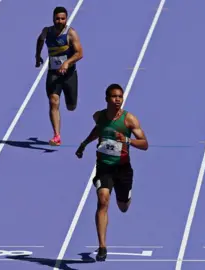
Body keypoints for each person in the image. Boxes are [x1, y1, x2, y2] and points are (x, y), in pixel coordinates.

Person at [75, 83, 149, 261]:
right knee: (102, 201)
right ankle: (102, 246)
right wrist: (84, 144)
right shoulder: (98, 116)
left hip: (123, 168)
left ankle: (125, 196)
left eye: (120, 97)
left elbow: (145, 144)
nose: (118, 100)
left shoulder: (129, 120)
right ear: (107, 99)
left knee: (122, 207)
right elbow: (98, 130)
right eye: (114, 97)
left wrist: (126, 140)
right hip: (104, 167)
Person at [35, 6, 83, 146]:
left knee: (71, 106)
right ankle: (56, 135)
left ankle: (71, 102)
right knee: (53, 101)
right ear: (53, 19)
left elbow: (79, 53)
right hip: (53, 73)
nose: (60, 21)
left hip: (69, 75)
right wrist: (37, 56)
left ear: (66, 19)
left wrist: (67, 63)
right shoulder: (47, 31)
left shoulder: (71, 33)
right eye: (57, 18)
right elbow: (40, 40)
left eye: (62, 19)